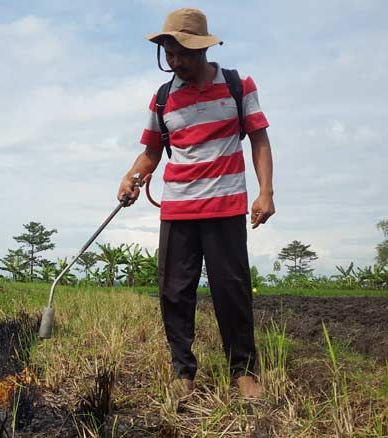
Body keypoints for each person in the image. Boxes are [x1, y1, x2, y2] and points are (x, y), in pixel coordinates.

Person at [117, 8, 275, 399]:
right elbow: (151, 152)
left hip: (224, 207)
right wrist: (131, 177)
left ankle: (243, 372)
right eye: (169, 53)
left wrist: (266, 192)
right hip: (178, 209)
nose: (175, 61)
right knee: (174, 292)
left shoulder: (239, 86)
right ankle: (183, 374)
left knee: (232, 290)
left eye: (182, 53)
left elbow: (259, 139)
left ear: (201, 48)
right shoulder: (163, 98)